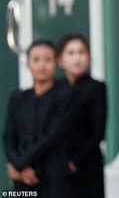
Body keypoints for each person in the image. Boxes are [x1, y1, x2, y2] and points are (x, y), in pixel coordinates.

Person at [3, 40, 72, 197]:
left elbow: (52, 136)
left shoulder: (65, 95)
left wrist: (21, 165)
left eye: (48, 60)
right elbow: (9, 136)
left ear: (57, 63)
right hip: (22, 179)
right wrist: (17, 166)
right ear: (28, 64)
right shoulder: (18, 97)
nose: (42, 65)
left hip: (53, 177)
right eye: (36, 60)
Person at [57, 34, 107, 198]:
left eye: (81, 52)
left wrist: (74, 162)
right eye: (70, 53)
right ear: (61, 60)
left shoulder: (96, 87)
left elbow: (98, 132)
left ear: (89, 56)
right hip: (56, 166)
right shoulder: (55, 89)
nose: (77, 58)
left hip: (87, 165)